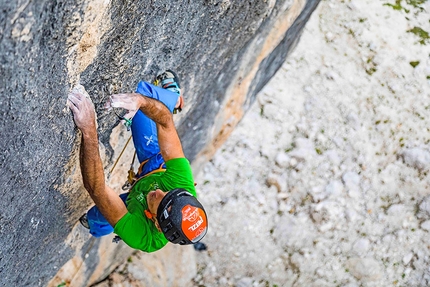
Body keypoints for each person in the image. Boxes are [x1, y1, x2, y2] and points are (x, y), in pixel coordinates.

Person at [67, 71, 208, 252]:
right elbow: (165, 123)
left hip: (134, 205)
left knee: (96, 219)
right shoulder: (181, 184)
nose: (158, 191)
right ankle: (173, 98)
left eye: (160, 201)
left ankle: (101, 224)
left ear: (157, 224)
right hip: (154, 166)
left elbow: (96, 188)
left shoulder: (143, 237)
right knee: (141, 95)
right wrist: (141, 101)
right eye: (168, 192)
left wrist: (89, 130)